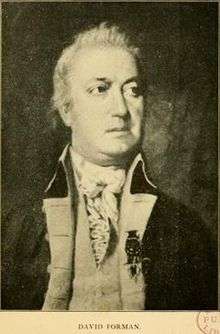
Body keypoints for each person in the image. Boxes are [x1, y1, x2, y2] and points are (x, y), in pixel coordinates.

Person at [2, 22, 217, 310]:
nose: (120, 109)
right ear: (67, 110)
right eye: (100, 89)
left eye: (133, 90)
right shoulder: (15, 231)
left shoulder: (187, 231)